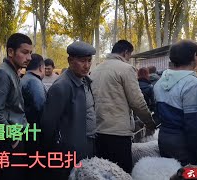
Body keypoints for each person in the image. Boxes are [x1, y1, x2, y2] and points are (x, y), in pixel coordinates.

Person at [90, 40, 156, 173]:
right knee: (120, 172)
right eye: (129, 56)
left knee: (102, 173)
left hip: (97, 130)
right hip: (117, 132)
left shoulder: (96, 70)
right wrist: (149, 122)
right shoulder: (126, 69)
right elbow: (137, 101)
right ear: (126, 52)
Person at [40, 41, 97, 180]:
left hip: (86, 145)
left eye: (89, 61)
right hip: (69, 152)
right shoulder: (62, 87)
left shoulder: (85, 81)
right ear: (70, 61)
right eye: (82, 61)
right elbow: (48, 125)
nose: (87, 65)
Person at [154, 40, 197, 166]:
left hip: (164, 139)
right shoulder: (192, 84)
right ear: (194, 56)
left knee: (171, 174)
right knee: (193, 175)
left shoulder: (160, 82)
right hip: (185, 145)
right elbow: (195, 125)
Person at [0, 33, 32, 180]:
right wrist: (13, 137)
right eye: (24, 52)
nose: (29, 58)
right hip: (6, 141)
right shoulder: (3, 73)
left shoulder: (12, 72)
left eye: (30, 53)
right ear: (11, 52)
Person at [20, 53, 46, 179]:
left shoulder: (24, 79)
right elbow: (41, 106)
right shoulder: (34, 82)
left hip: (25, 128)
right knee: (34, 162)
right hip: (33, 128)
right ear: (41, 67)